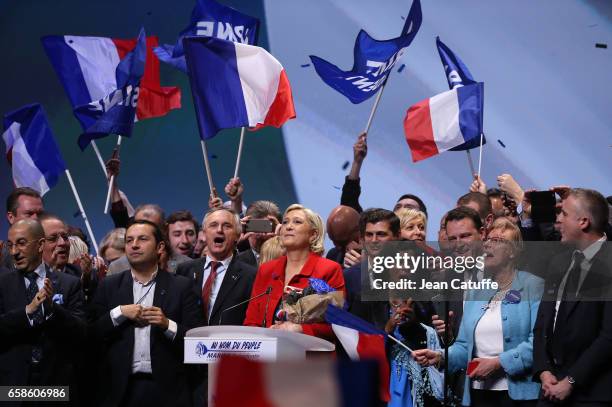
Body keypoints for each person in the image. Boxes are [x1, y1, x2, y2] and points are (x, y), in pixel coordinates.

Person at [415, 217, 545, 407]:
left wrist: (498, 363)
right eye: (488, 240)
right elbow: (463, 346)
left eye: (498, 241)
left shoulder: (533, 285)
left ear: (513, 252)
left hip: (519, 396)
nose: (489, 245)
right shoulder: (479, 290)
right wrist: (441, 356)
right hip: (478, 394)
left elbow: (538, 343)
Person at [90, 219, 202, 406]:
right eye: (129, 240)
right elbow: (91, 334)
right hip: (120, 391)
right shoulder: (108, 286)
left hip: (168, 391)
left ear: (159, 247)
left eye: (142, 239)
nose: (134, 245)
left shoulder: (182, 286)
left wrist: (167, 325)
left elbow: (197, 342)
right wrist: (118, 313)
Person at [532, 188, 612, 406]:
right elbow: (542, 323)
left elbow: (609, 336)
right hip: (549, 391)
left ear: (583, 221)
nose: (558, 220)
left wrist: (571, 380)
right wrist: (543, 370)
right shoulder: (559, 262)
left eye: (564, 214)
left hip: (592, 394)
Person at [0, 219, 85, 388]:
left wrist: (53, 310)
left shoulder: (69, 284)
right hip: (13, 387)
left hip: (56, 386)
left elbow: (82, 334)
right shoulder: (2, 284)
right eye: (11, 245)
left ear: (40, 245)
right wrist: (27, 312)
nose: (15, 251)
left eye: (21, 243)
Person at [244, 204, 345, 340]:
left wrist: (300, 329)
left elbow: (338, 326)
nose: (288, 226)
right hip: (266, 355)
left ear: (313, 235)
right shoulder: (266, 270)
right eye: (285, 222)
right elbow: (251, 321)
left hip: (308, 356)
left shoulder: (329, 270)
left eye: (297, 222)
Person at [176, 208, 257, 327]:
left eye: (227, 226)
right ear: (203, 233)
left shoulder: (250, 275)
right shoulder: (185, 270)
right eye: (213, 225)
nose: (219, 230)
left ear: (237, 235)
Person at [343, 208, 400, 330]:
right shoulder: (349, 278)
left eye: (381, 234)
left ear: (397, 237)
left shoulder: (411, 276)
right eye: (369, 235)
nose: (374, 240)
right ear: (362, 240)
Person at [1, 187, 44, 271]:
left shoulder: (54, 251)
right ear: (11, 217)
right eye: (29, 213)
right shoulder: (3, 260)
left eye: (40, 214)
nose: (36, 219)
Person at [237, 200, 282, 267]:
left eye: (267, 227)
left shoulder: (289, 257)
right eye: (258, 227)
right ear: (246, 228)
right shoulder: (236, 261)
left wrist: (281, 241)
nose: (263, 234)